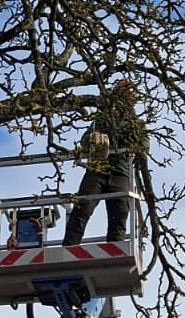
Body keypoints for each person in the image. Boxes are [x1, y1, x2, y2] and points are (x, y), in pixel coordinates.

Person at [62, 78, 148, 246]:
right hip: (98, 170)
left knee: (120, 215)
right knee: (82, 208)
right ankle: (69, 247)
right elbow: (85, 140)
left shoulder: (137, 124)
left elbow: (143, 146)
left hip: (122, 173)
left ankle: (115, 249)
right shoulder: (102, 119)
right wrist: (95, 140)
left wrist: (128, 140)